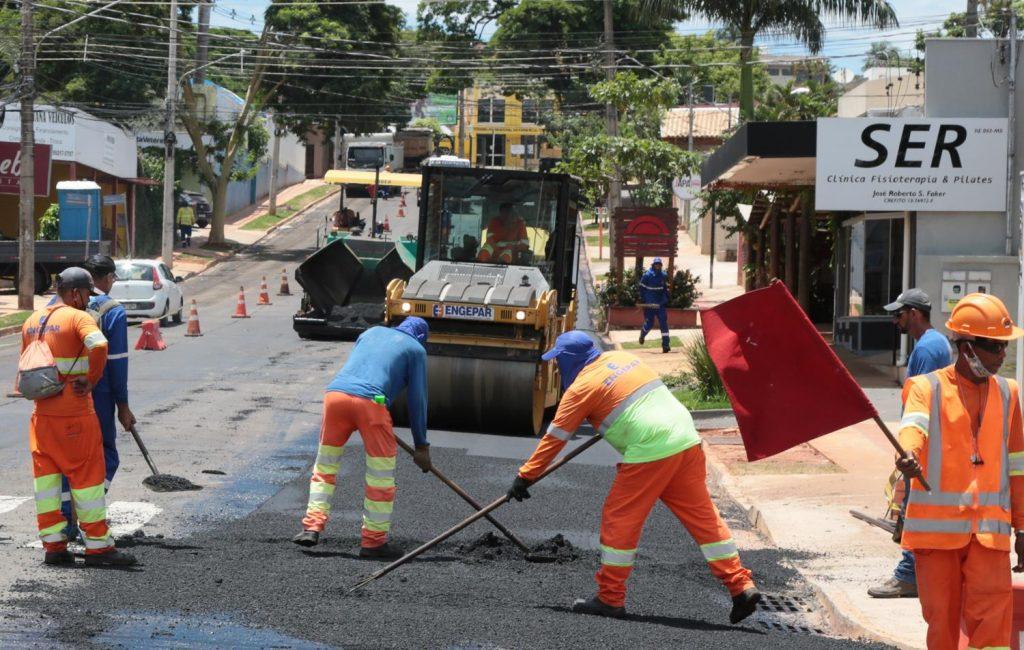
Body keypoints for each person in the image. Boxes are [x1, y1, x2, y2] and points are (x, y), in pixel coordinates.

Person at [507, 331, 760, 622]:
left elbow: (556, 437)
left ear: (568, 361)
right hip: (686, 439)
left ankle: (610, 598)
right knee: (704, 519)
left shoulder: (582, 388)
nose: (557, 368)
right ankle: (741, 586)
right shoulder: (624, 358)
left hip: (651, 449)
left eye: (558, 362)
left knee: (620, 519)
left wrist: (525, 476)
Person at [896, 293, 1024, 649]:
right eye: (993, 347)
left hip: (989, 536)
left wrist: (1023, 527)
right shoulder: (927, 387)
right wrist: (909, 453)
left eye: (1004, 347)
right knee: (943, 627)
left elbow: (1018, 467)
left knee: (994, 628)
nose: (1001, 356)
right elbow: (914, 428)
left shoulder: (1009, 393)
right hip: (938, 540)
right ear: (966, 347)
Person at [21, 268, 135, 567]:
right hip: (74, 415)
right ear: (75, 293)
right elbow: (99, 344)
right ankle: (99, 547)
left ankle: (54, 547)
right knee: (87, 478)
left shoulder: (32, 321)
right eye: (87, 294)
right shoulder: (78, 317)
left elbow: (26, 368)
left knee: (46, 484)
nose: (88, 301)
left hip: (42, 417)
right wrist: (92, 378)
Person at [292, 317, 432, 559]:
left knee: (325, 467)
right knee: (380, 475)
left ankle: (311, 526)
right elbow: (417, 401)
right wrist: (421, 445)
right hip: (371, 404)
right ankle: (373, 542)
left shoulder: (371, 332)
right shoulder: (416, 349)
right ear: (421, 337)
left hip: (335, 396)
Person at [868, 289, 952, 599]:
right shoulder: (931, 345)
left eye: (898, 315)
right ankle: (918, 572)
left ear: (914, 314)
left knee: (913, 509)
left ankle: (908, 576)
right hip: (924, 442)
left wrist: (910, 448)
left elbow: (922, 405)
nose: (895, 321)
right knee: (913, 508)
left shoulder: (928, 350)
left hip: (921, 445)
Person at [59, 255, 136, 539]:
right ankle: (87, 511)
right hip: (98, 396)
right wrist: (123, 407)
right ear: (108, 278)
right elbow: (117, 364)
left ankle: (66, 521)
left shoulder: (62, 307)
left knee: (67, 460)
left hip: (61, 398)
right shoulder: (112, 311)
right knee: (106, 455)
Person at [638, 258, 671, 353]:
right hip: (650, 304)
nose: (658, 266)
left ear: (661, 265)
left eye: (659, 264)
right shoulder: (647, 275)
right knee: (649, 324)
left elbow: (665, 288)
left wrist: (666, 298)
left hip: (660, 304)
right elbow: (641, 289)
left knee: (663, 324)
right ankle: (642, 335)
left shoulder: (664, 275)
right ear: (653, 265)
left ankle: (666, 345)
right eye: (656, 264)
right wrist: (644, 300)